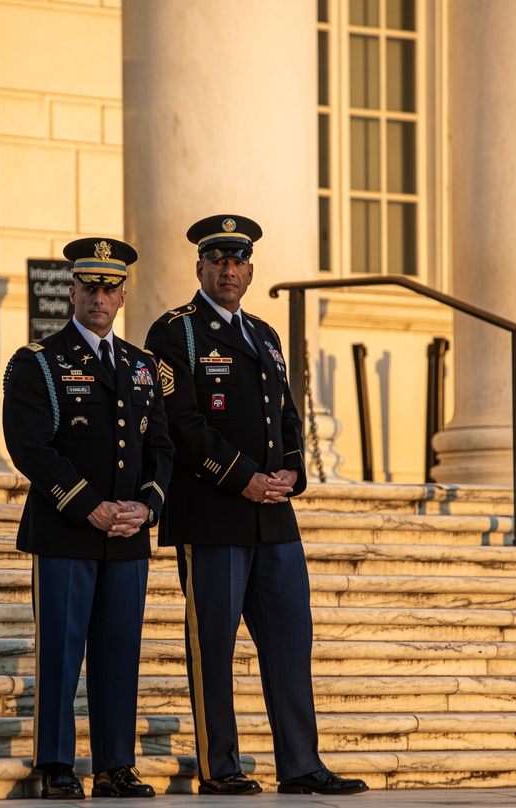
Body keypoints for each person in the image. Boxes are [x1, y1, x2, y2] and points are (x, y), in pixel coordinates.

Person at [144, 215, 368, 797]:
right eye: (217, 260)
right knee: (212, 649)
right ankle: (222, 769)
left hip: (274, 517)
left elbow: (286, 414)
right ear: (200, 268)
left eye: (237, 260)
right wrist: (241, 476)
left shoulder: (265, 334)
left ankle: (301, 764)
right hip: (213, 514)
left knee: (291, 643)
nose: (227, 269)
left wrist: (292, 470)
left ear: (250, 269)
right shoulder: (176, 334)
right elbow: (181, 423)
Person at [3, 237, 173, 800]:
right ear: (71, 290)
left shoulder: (143, 367)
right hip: (67, 530)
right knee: (61, 650)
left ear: (123, 295)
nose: (99, 297)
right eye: (89, 286)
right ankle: (56, 763)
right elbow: (30, 447)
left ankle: (114, 765)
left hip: (126, 534)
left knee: (119, 649)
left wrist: (147, 506)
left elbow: (161, 448)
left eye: (110, 288)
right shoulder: (39, 363)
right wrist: (88, 506)